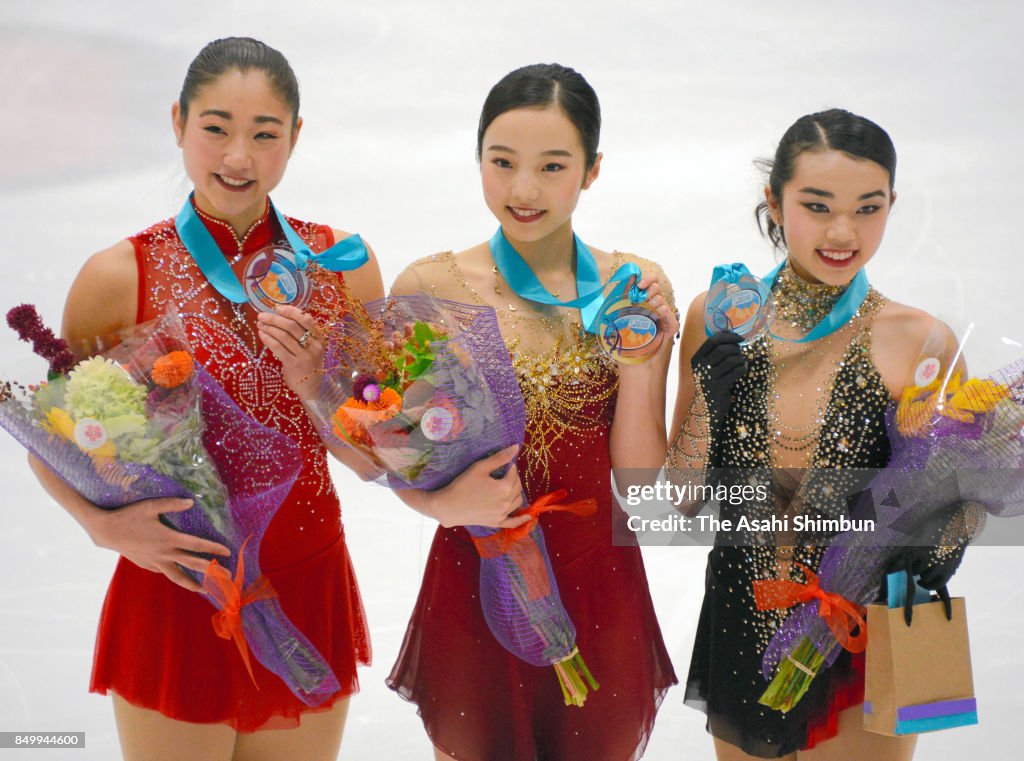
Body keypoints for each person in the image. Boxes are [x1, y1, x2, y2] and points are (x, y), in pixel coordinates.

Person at [27, 37, 383, 761]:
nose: (238, 157)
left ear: (296, 136)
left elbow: (376, 459)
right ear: (177, 123)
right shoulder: (118, 274)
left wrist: (316, 389)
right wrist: (104, 527)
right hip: (178, 589)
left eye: (264, 134)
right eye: (216, 128)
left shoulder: (343, 266)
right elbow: (58, 441)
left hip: (307, 581)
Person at [379, 62, 679, 761]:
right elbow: (402, 459)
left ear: (592, 169)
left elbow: (637, 485)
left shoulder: (633, 286)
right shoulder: (428, 287)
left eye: (552, 166)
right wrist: (448, 501)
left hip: (597, 580)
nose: (523, 189)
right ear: (477, 156)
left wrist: (642, 364)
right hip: (475, 576)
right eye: (503, 161)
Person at [667, 109, 981, 760]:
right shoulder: (718, 316)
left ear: (892, 204)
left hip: (858, 635)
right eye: (817, 205)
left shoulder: (919, 341)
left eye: (868, 208)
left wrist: (934, 534)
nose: (844, 232)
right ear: (774, 204)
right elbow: (681, 495)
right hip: (741, 621)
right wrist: (711, 408)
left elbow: (959, 512)